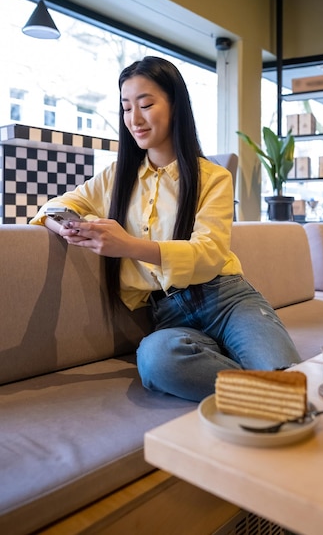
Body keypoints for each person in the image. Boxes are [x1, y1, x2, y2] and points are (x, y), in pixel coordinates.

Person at [30, 56, 301, 401]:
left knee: (286, 377)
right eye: (126, 108)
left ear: (175, 106)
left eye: (145, 104)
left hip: (228, 299)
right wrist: (66, 227)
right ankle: (272, 397)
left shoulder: (213, 177)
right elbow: (53, 207)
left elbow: (209, 253)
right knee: (157, 361)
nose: (134, 118)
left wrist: (127, 245)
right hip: (170, 316)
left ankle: (275, 394)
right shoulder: (115, 178)